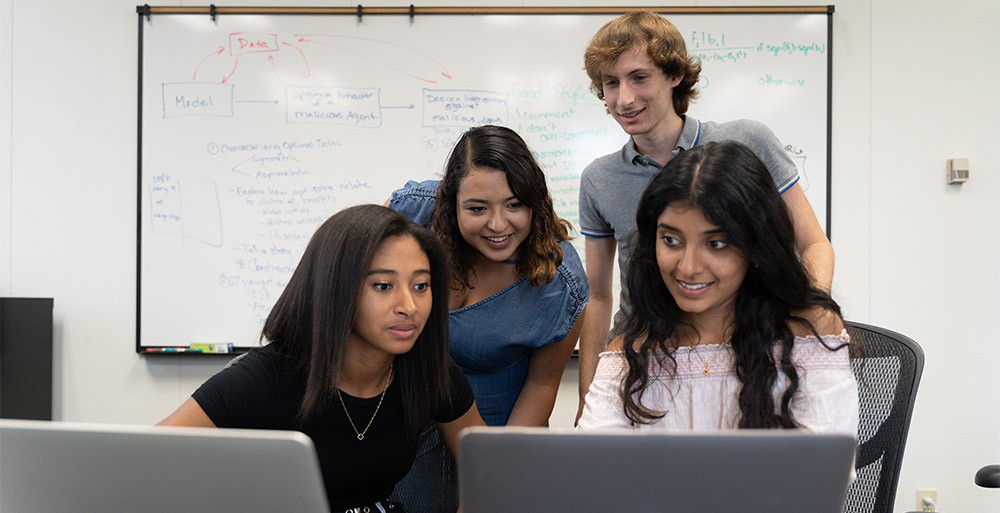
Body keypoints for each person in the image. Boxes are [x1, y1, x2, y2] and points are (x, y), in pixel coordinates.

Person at [576, 11, 836, 419]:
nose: (623, 99)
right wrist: (589, 393)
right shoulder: (598, 179)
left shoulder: (745, 141)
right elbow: (598, 295)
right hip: (648, 363)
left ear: (674, 75)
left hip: (746, 353)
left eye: (639, 77)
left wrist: (804, 315)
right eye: (611, 83)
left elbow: (813, 242)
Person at [158, 205, 484, 513]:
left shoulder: (428, 372)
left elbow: (486, 475)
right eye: (383, 286)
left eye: (421, 285)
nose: (409, 306)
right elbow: (147, 462)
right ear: (335, 289)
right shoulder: (268, 375)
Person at [578, 141, 858, 436]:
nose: (688, 267)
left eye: (716, 244)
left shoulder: (807, 336)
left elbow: (821, 474)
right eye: (671, 240)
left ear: (756, 246)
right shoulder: (631, 352)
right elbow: (590, 469)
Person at [387, 125, 589, 512]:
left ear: (536, 203)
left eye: (514, 205)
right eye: (477, 208)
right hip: (405, 424)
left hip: (497, 435)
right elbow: (357, 288)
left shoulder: (558, 281)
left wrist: (495, 480)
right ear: (450, 202)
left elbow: (542, 386)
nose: (498, 225)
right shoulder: (412, 214)